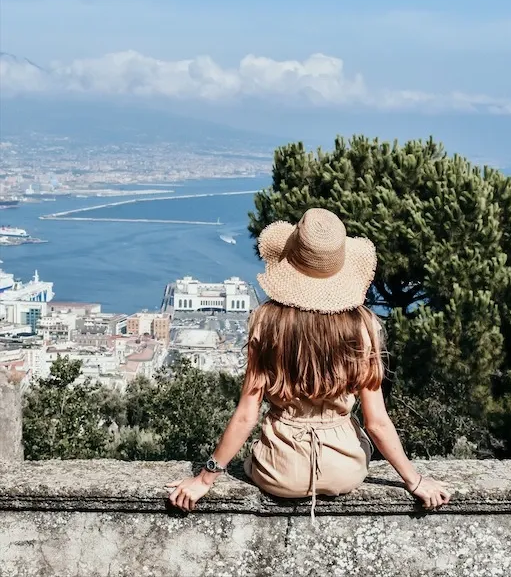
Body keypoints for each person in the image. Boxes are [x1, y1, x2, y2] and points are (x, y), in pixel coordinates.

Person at [165, 208, 451, 519]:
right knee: (362, 443)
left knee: (250, 461)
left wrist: (205, 479)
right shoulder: (363, 327)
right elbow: (377, 423)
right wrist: (416, 481)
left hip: (278, 471)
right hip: (346, 470)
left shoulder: (266, 322)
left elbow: (247, 415)